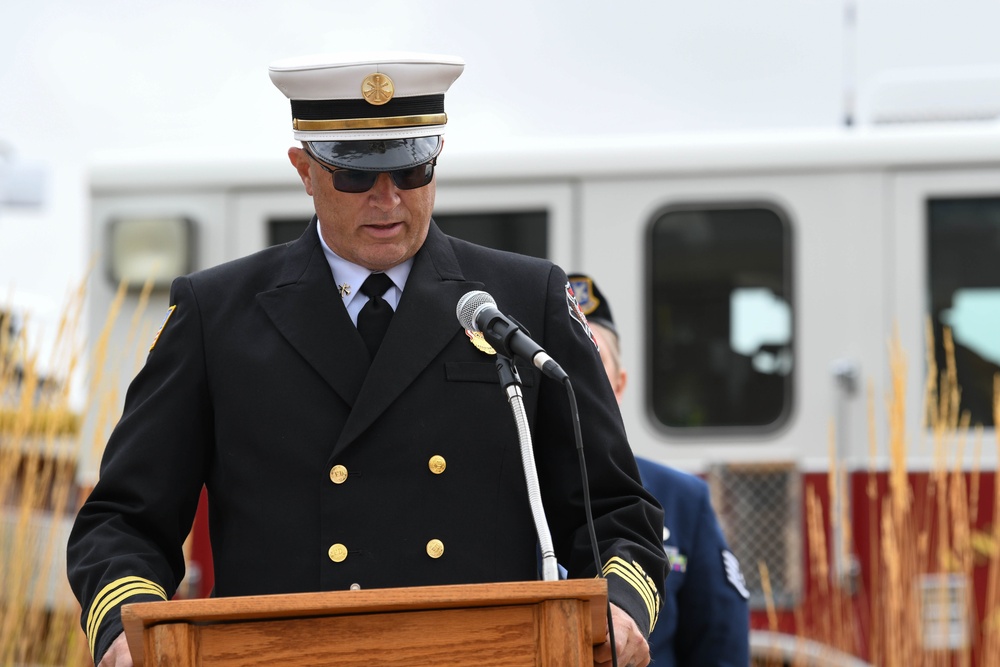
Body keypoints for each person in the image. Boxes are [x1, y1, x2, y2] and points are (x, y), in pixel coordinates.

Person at [67, 52, 667, 667]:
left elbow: (614, 511)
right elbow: (124, 519)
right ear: (304, 170)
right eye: (356, 176)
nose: (388, 198)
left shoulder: (523, 299)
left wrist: (618, 605)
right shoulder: (216, 314)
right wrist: (123, 631)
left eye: (412, 172)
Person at [567, 273, 751, 666]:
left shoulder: (683, 500)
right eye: (561, 360)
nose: (573, 380)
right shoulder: (498, 496)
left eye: (591, 361)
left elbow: (720, 647)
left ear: (619, 384)